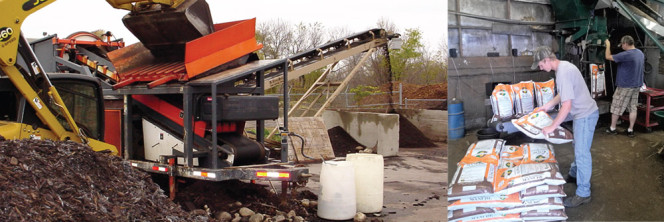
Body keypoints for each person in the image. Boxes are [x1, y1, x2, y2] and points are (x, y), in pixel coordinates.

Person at [531, 46, 599, 208]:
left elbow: (566, 106)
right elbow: (563, 94)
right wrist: (547, 106)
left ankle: (583, 193)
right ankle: (575, 175)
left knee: (582, 153)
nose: (541, 68)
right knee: (578, 145)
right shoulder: (563, 67)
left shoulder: (563, 72)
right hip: (581, 113)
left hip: (585, 115)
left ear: (547, 60)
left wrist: (552, 126)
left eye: (540, 65)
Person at [604, 35, 645, 137]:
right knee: (633, 108)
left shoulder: (626, 54)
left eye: (622, 44)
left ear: (626, 44)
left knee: (616, 106)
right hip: (636, 85)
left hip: (625, 85)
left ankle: (612, 128)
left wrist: (607, 45)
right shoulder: (640, 53)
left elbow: (608, 57)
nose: (621, 46)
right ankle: (630, 130)